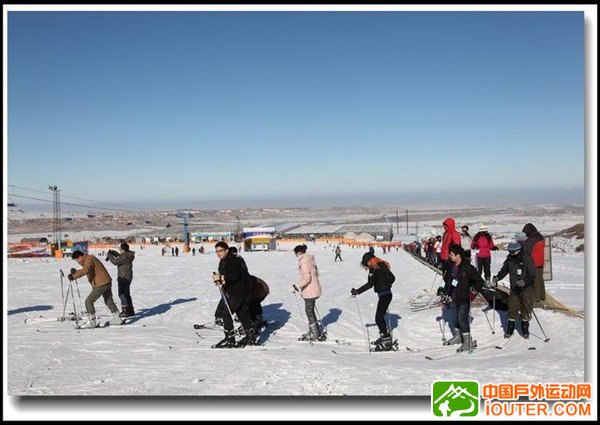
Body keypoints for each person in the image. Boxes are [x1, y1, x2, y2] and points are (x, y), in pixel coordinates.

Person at [437, 246, 485, 353]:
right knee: (454, 318)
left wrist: (472, 293)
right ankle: (458, 337)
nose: (450, 256)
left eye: (452, 254)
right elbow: (448, 282)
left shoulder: (467, 268)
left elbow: (479, 282)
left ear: (458, 255)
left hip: (464, 297)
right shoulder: (451, 267)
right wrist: (444, 292)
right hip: (453, 297)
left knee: (461, 319)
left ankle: (468, 342)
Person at [212, 242, 257, 348]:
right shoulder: (224, 260)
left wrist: (223, 278)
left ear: (226, 250)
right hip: (235, 291)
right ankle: (250, 336)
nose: (218, 253)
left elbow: (235, 275)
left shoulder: (232, 260)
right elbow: (226, 276)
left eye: (220, 251)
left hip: (238, 292)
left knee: (226, 315)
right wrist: (219, 280)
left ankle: (230, 339)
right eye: (217, 251)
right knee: (241, 314)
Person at [350, 250, 396, 351]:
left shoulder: (374, 268)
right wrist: (386, 285)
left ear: (369, 261)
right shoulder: (381, 264)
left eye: (366, 264)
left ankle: (386, 341)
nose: (366, 267)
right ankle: (384, 336)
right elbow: (392, 278)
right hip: (386, 294)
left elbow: (370, 284)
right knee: (380, 317)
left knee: (378, 318)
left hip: (385, 295)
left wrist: (358, 291)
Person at [492, 241, 536, 339]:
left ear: (518, 250)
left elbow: (533, 273)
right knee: (512, 307)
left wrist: (524, 281)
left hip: (527, 289)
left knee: (526, 308)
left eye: (513, 252)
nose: (511, 254)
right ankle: (510, 328)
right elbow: (504, 270)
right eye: (510, 252)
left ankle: (525, 328)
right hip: (515, 289)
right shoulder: (509, 259)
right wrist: (497, 277)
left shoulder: (526, 258)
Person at [69, 250, 123, 328]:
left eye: (77, 260)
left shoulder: (89, 259)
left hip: (101, 283)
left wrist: (74, 276)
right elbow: (86, 268)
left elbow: (86, 270)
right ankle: (117, 318)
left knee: (89, 301)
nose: (77, 262)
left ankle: (92, 322)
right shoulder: (88, 259)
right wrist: (76, 272)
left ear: (80, 257)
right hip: (106, 281)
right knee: (109, 301)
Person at [291, 244, 324, 341]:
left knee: (309, 311)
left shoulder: (304, 262)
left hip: (310, 290)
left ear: (298, 252)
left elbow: (307, 278)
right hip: (314, 288)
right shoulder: (310, 259)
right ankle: (314, 331)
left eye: (295, 254)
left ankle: (315, 333)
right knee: (310, 310)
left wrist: (296, 286)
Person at [106, 242, 136, 317]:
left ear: (123, 250)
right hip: (127, 276)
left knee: (122, 294)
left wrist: (110, 255)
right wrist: (115, 253)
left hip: (124, 277)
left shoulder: (125, 257)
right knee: (127, 294)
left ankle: (125, 310)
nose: (119, 251)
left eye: (120, 249)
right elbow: (121, 257)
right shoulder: (128, 255)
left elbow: (115, 262)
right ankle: (130, 310)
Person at [522, 223, 545, 303]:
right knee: (540, 279)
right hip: (541, 261)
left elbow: (527, 252)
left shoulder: (531, 240)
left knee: (535, 280)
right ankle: (542, 295)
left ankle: (536, 297)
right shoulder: (541, 237)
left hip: (533, 262)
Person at [440, 218, 461, 283]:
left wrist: (453, 255)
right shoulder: (445, 233)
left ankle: (453, 290)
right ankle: (448, 289)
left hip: (450, 258)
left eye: (446, 225)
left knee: (452, 276)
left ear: (450, 225)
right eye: (444, 225)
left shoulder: (454, 233)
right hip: (444, 257)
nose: (445, 227)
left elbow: (457, 246)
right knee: (445, 276)